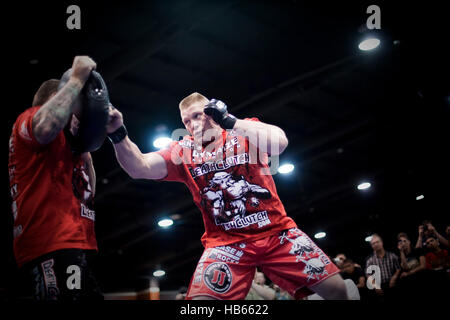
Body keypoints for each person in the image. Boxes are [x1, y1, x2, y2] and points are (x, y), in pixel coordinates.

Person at [106, 92, 349, 300]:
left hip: (277, 232)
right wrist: (118, 133)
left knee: (338, 291)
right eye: (186, 121)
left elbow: (280, 143)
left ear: (212, 111)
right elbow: (139, 167)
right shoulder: (183, 150)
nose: (192, 124)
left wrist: (229, 121)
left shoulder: (242, 131)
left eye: (197, 115)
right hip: (227, 245)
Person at [8, 56, 103, 300]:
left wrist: (88, 141)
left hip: (77, 245)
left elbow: (87, 193)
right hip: (50, 246)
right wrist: (76, 80)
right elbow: (46, 126)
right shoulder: (30, 119)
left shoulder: (70, 145)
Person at [365, 234, 400, 300]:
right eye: (373, 243)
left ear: (382, 242)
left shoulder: (392, 256)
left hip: (393, 284)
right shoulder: (370, 260)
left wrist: (394, 277)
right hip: (379, 286)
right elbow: (368, 275)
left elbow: (398, 268)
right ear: (372, 246)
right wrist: (375, 286)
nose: (375, 244)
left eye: (377, 242)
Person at [396, 232, 426, 299]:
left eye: (404, 241)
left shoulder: (417, 250)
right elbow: (406, 268)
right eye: (400, 242)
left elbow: (423, 266)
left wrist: (409, 273)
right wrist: (401, 252)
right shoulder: (400, 257)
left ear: (409, 242)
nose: (403, 243)